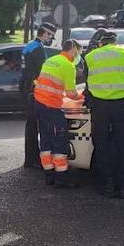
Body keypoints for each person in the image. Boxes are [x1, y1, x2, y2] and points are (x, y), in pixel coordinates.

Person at [83, 29, 124, 198]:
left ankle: (106, 184)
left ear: (100, 42)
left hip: (99, 107)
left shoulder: (91, 57)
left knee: (101, 145)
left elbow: (87, 83)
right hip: (121, 105)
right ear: (114, 42)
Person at [33, 39, 83, 188]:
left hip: (39, 103)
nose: (78, 56)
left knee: (45, 138)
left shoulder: (51, 60)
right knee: (59, 140)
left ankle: (49, 175)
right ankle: (61, 177)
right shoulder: (68, 66)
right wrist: (82, 96)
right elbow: (71, 93)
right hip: (51, 106)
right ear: (73, 50)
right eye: (78, 52)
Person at [21, 24, 56, 169]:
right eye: (50, 35)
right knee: (36, 126)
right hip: (34, 91)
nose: (51, 38)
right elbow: (42, 73)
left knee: (31, 126)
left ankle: (30, 159)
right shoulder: (38, 49)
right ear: (44, 33)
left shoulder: (29, 46)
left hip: (26, 88)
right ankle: (33, 160)